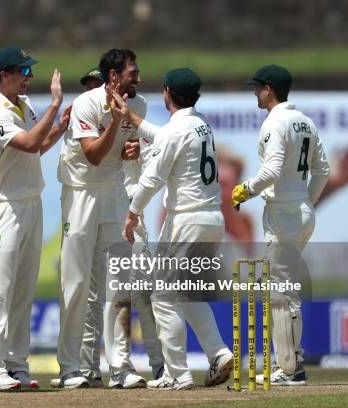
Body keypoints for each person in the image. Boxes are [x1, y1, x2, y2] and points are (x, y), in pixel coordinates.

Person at [123, 68, 234, 390]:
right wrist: (134, 118)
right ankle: (219, 352)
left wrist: (132, 213)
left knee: (163, 297)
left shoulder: (177, 129)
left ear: (167, 92)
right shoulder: (200, 125)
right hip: (212, 220)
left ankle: (177, 374)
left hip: (186, 220)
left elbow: (152, 178)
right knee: (184, 295)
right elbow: (167, 139)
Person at [56, 49, 160, 389]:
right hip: (81, 194)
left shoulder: (139, 106)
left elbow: (128, 149)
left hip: (115, 193)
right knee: (76, 284)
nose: (139, 79)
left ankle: (120, 367)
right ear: (113, 76)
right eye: (132, 73)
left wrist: (134, 150)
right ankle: (71, 367)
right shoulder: (86, 104)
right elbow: (94, 155)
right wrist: (116, 122)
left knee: (120, 283)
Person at [0, 47, 69, 390]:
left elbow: (37, 147)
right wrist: (56, 105)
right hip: (3, 205)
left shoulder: (24, 104)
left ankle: (16, 364)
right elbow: (29, 143)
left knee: (23, 289)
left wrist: (59, 127)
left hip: (31, 202)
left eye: (29, 71)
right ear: (4, 75)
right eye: (23, 72)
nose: (29, 77)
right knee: (1, 287)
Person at [232, 64, 330, 386]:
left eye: (257, 87)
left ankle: (289, 369)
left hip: (283, 215)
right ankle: (293, 362)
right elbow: (324, 170)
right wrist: (307, 202)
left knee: (280, 292)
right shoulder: (304, 121)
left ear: (269, 89)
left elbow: (272, 170)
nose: (254, 92)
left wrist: (245, 189)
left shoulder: (275, 122)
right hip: (301, 213)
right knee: (288, 291)